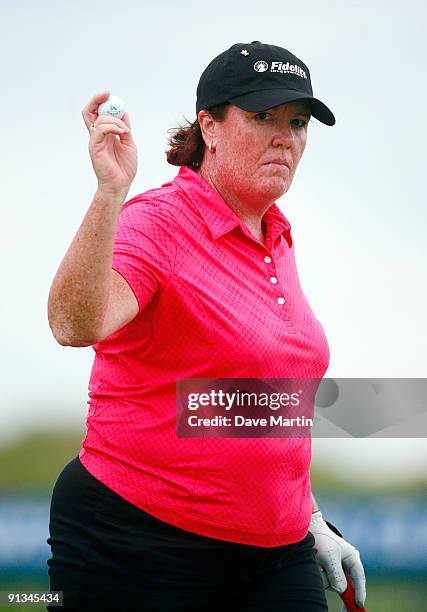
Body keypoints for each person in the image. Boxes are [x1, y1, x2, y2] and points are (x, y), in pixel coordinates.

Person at [47, 41, 366, 611]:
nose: (285, 137)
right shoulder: (159, 220)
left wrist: (308, 513)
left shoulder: (278, 236)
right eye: (262, 116)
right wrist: (110, 193)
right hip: (137, 542)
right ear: (209, 126)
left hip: (276, 554)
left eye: (297, 123)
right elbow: (75, 324)